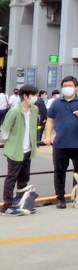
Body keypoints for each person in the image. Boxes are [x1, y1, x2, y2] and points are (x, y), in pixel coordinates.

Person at [44, 76, 78, 208]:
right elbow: (50, 120)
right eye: (65, 86)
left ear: (76, 88)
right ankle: (60, 199)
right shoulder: (56, 103)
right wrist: (48, 136)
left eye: (70, 86)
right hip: (60, 144)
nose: (67, 88)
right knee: (59, 172)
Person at [2, 86, 40, 215]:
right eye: (33, 95)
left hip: (28, 149)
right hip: (15, 150)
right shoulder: (14, 111)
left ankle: (20, 203)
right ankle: (7, 206)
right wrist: (8, 142)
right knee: (11, 178)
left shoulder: (34, 109)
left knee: (24, 178)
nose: (35, 98)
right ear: (25, 96)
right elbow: (5, 130)